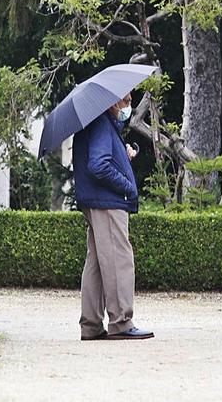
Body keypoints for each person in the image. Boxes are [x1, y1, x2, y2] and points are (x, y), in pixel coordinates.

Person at [72, 92, 154, 341]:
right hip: (108, 201)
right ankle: (121, 322)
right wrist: (127, 186)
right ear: (112, 102)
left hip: (97, 200)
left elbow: (101, 160)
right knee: (119, 258)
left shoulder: (101, 124)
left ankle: (91, 325)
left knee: (96, 263)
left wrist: (123, 154)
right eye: (127, 101)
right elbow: (99, 165)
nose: (129, 106)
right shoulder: (101, 123)